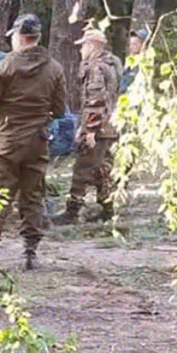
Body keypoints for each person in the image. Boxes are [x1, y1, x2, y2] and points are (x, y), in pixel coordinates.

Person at [0, 13, 66, 270]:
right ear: (37, 37)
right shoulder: (55, 68)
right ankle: (30, 252)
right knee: (32, 195)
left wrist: (2, 122)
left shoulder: (5, 66)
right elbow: (60, 109)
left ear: (19, 37)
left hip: (7, 138)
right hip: (38, 139)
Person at [57, 28, 119, 224]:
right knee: (102, 168)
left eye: (84, 45)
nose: (81, 49)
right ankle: (108, 209)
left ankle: (72, 211)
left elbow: (95, 100)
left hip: (99, 128)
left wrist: (90, 129)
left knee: (82, 168)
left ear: (94, 46)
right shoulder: (110, 65)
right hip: (108, 127)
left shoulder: (95, 69)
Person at [119, 27, 149, 93]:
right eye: (130, 43)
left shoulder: (146, 61)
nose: (131, 46)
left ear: (144, 45)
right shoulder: (127, 61)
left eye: (135, 43)